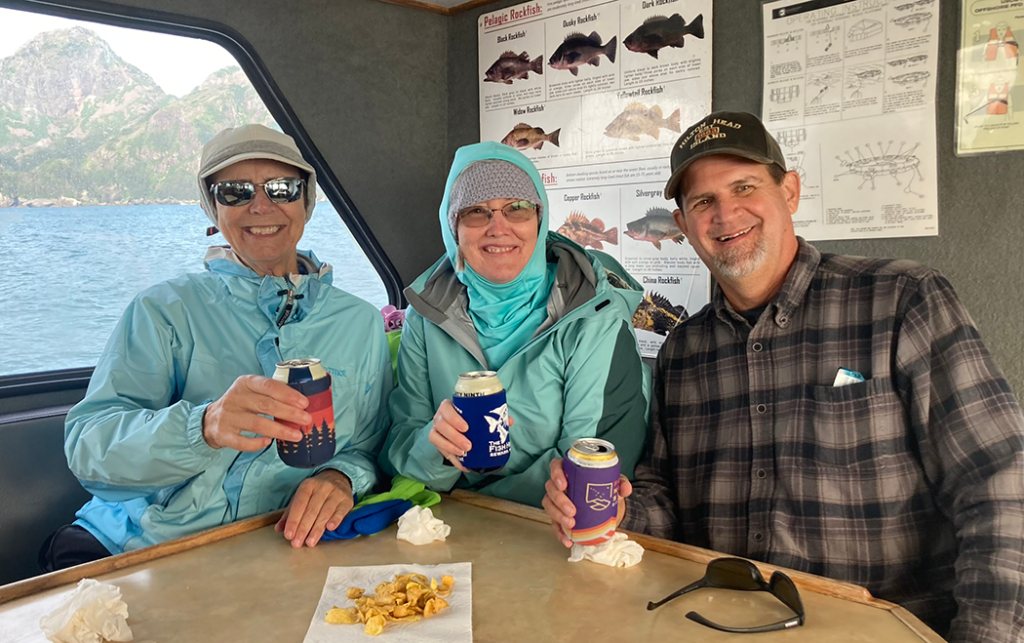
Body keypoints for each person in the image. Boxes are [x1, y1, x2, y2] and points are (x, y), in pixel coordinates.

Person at [543, 111, 1024, 642]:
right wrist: (604, 509)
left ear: (789, 191)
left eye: (744, 186)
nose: (726, 214)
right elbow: (664, 497)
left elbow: (1000, 484)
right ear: (682, 227)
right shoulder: (684, 348)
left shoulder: (902, 299)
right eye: (702, 201)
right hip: (717, 625)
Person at [43, 125, 392, 571]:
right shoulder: (164, 310)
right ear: (212, 208)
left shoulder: (359, 322)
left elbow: (368, 444)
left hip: (277, 549)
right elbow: (90, 450)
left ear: (306, 203)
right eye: (235, 191)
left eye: (283, 188)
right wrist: (202, 426)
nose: (261, 205)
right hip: (139, 547)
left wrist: (341, 476)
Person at [380, 141, 648, 508]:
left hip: (548, 530)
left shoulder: (593, 316)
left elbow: (586, 468)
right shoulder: (425, 316)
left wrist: (477, 504)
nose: (498, 227)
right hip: (448, 530)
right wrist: (435, 447)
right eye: (476, 211)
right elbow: (400, 448)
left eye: (517, 208)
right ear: (452, 227)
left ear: (539, 218)